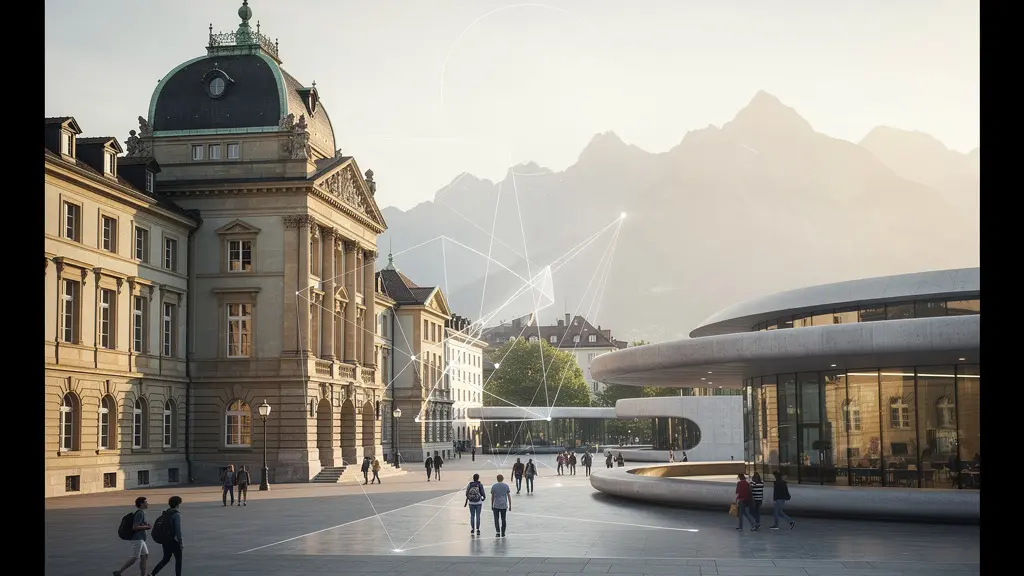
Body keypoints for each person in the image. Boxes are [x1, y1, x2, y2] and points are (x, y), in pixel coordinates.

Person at [113, 496, 151, 576]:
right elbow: (135, 527)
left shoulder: (140, 512)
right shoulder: (140, 513)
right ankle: (119, 572)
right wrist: (146, 527)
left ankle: (143, 575)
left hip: (140, 538)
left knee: (145, 556)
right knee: (135, 558)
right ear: (141, 504)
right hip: (137, 539)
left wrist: (144, 525)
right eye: (146, 502)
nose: (147, 503)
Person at [149, 495, 184, 576]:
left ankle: (152, 574)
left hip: (165, 539)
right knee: (178, 559)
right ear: (177, 504)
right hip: (173, 540)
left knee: (166, 558)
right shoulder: (176, 515)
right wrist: (180, 542)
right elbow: (178, 530)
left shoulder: (165, 513)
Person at [490, 473, 512, 538]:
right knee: (503, 519)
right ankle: (503, 532)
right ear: (503, 479)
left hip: (496, 505)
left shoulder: (494, 486)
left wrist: (492, 505)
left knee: (496, 519)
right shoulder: (506, 486)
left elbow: (492, 497)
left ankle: (497, 532)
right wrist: (510, 505)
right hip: (504, 504)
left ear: (497, 479)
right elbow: (508, 496)